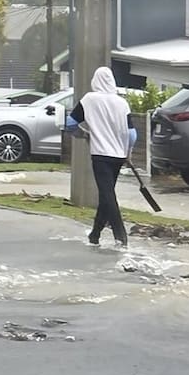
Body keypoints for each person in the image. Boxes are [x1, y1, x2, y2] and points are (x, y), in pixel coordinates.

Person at [69, 66, 132, 248]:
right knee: (107, 194)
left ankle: (121, 236)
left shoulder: (89, 100)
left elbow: (70, 124)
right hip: (119, 156)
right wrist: (128, 152)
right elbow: (132, 133)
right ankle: (95, 234)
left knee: (107, 194)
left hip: (100, 154)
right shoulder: (122, 103)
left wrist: (85, 134)